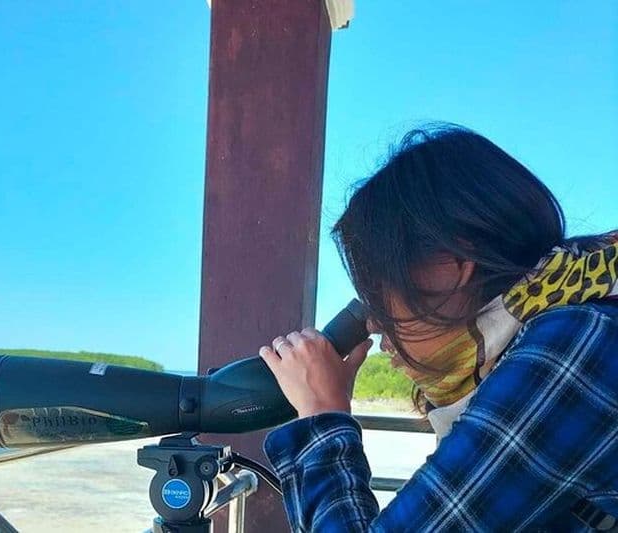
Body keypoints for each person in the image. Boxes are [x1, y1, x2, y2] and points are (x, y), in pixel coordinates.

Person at [259, 124, 618, 532]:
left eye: (379, 293)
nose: (374, 324)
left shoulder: (574, 345)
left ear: (450, 265)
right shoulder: (574, 322)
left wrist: (321, 414)